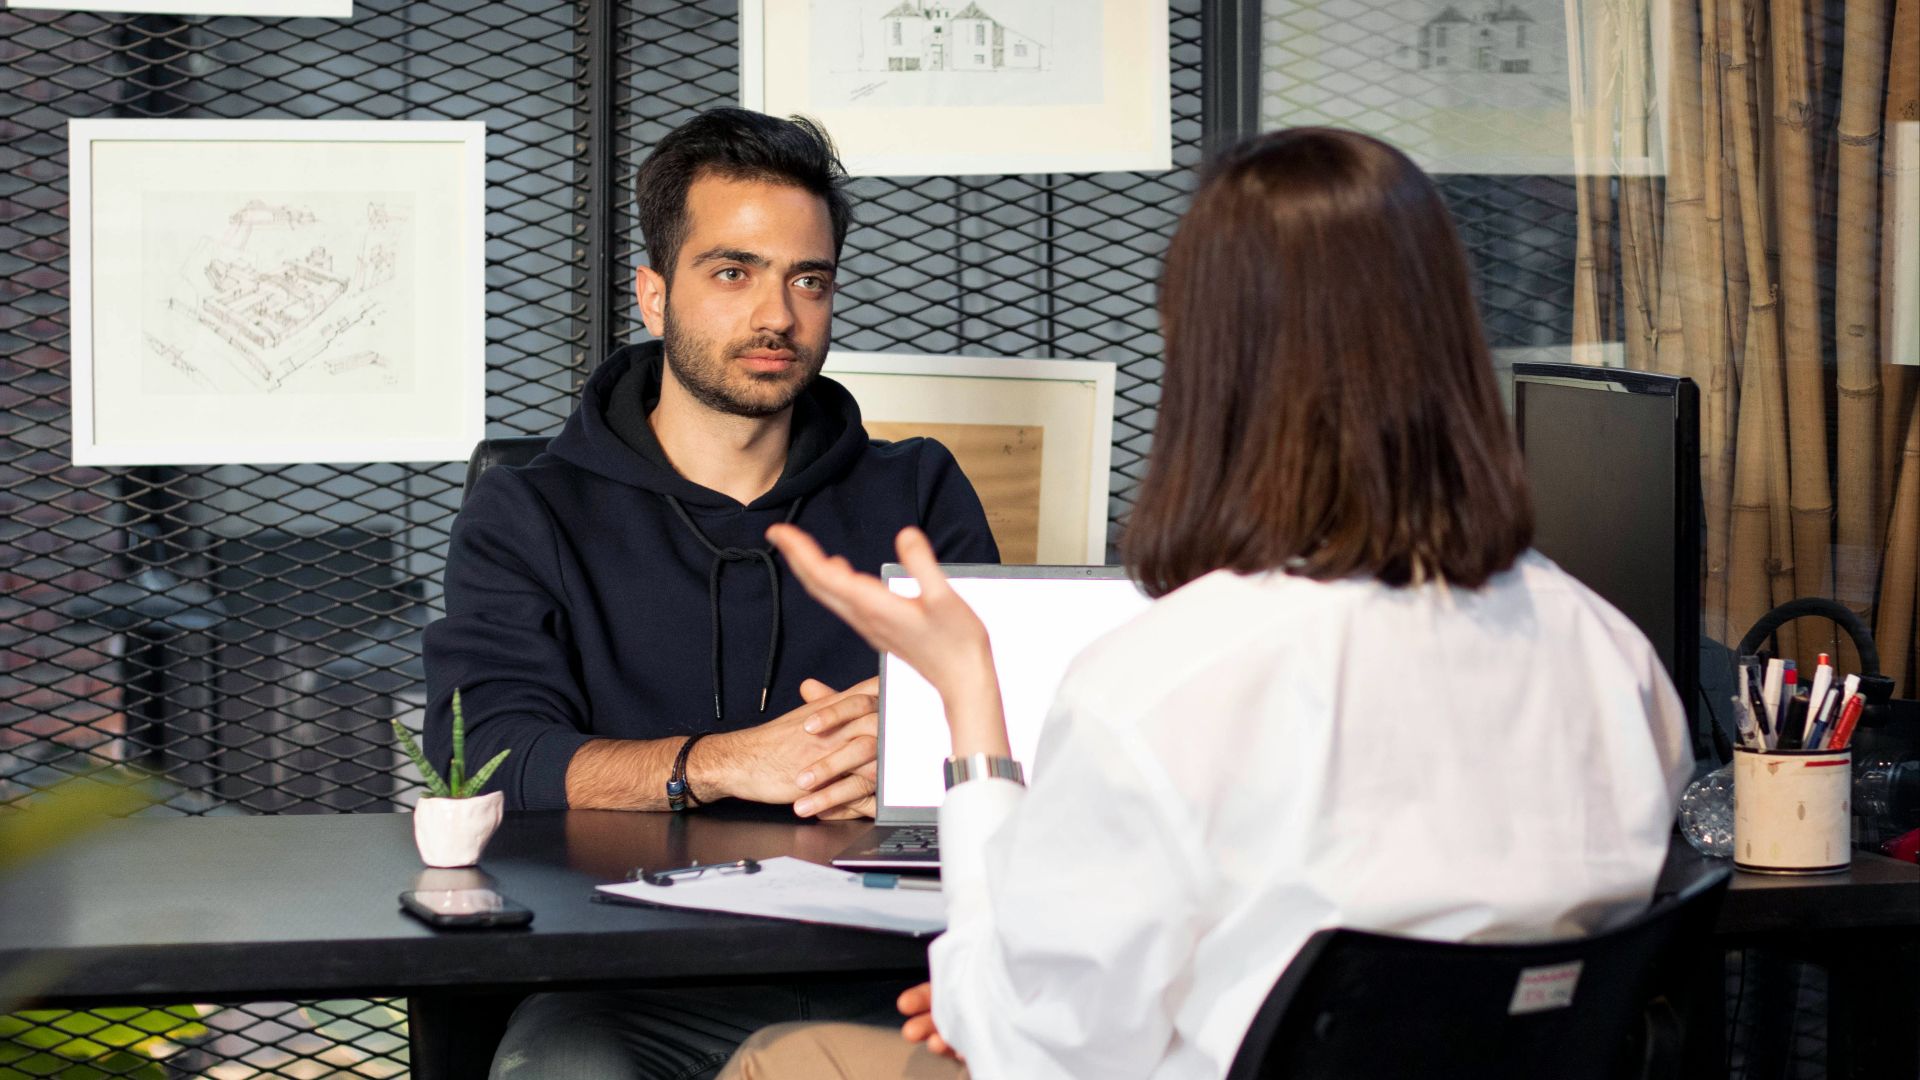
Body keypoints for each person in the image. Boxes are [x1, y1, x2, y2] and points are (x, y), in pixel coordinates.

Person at [727, 127, 1694, 1079]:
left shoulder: (1169, 681)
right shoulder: (1607, 652)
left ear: (1211, 365)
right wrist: (1011, 991)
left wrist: (968, 704)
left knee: (790, 1060)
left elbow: (1040, 1048)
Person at [421, 108, 998, 1078]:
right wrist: (725, 763)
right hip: (622, 985)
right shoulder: (528, 511)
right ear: (653, 295)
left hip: (895, 979)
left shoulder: (916, 489)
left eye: (806, 280)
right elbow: (487, 754)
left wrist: (899, 756)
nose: (776, 315)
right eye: (733, 273)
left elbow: (1010, 730)